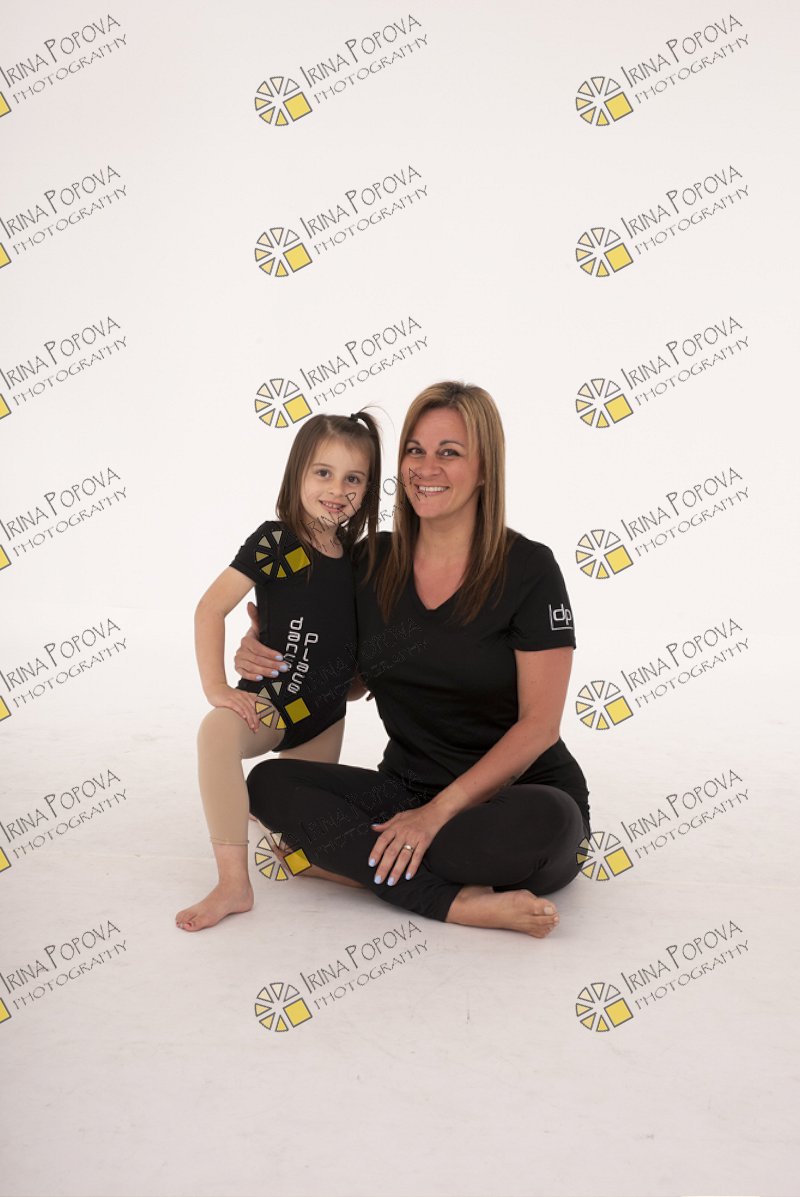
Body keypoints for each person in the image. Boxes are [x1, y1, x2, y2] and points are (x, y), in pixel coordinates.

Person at [240, 382, 590, 939]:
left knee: (549, 824)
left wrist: (436, 816)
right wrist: (271, 654)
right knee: (267, 784)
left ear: (484, 468)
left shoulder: (530, 569)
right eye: (414, 450)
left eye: (449, 452)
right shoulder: (371, 561)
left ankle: (352, 864)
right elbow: (346, 681)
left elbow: (539, 726)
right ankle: (455, 902)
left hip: (514, 798)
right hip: (404, 791)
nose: (426, 468)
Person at [175, 411, 382, 932]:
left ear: (368, 489)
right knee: (216, 733)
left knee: (299, 850)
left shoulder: (358, 561)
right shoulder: (277, 542)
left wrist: (356, 682)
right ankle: (233, 884)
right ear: (297, 475)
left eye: (353, 479)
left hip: (323, 719)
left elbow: (350, 646)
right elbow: (210, 609)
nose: (337, 490)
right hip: (269, 705)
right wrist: (216, 687)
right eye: (323, 473)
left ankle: (262, 813)